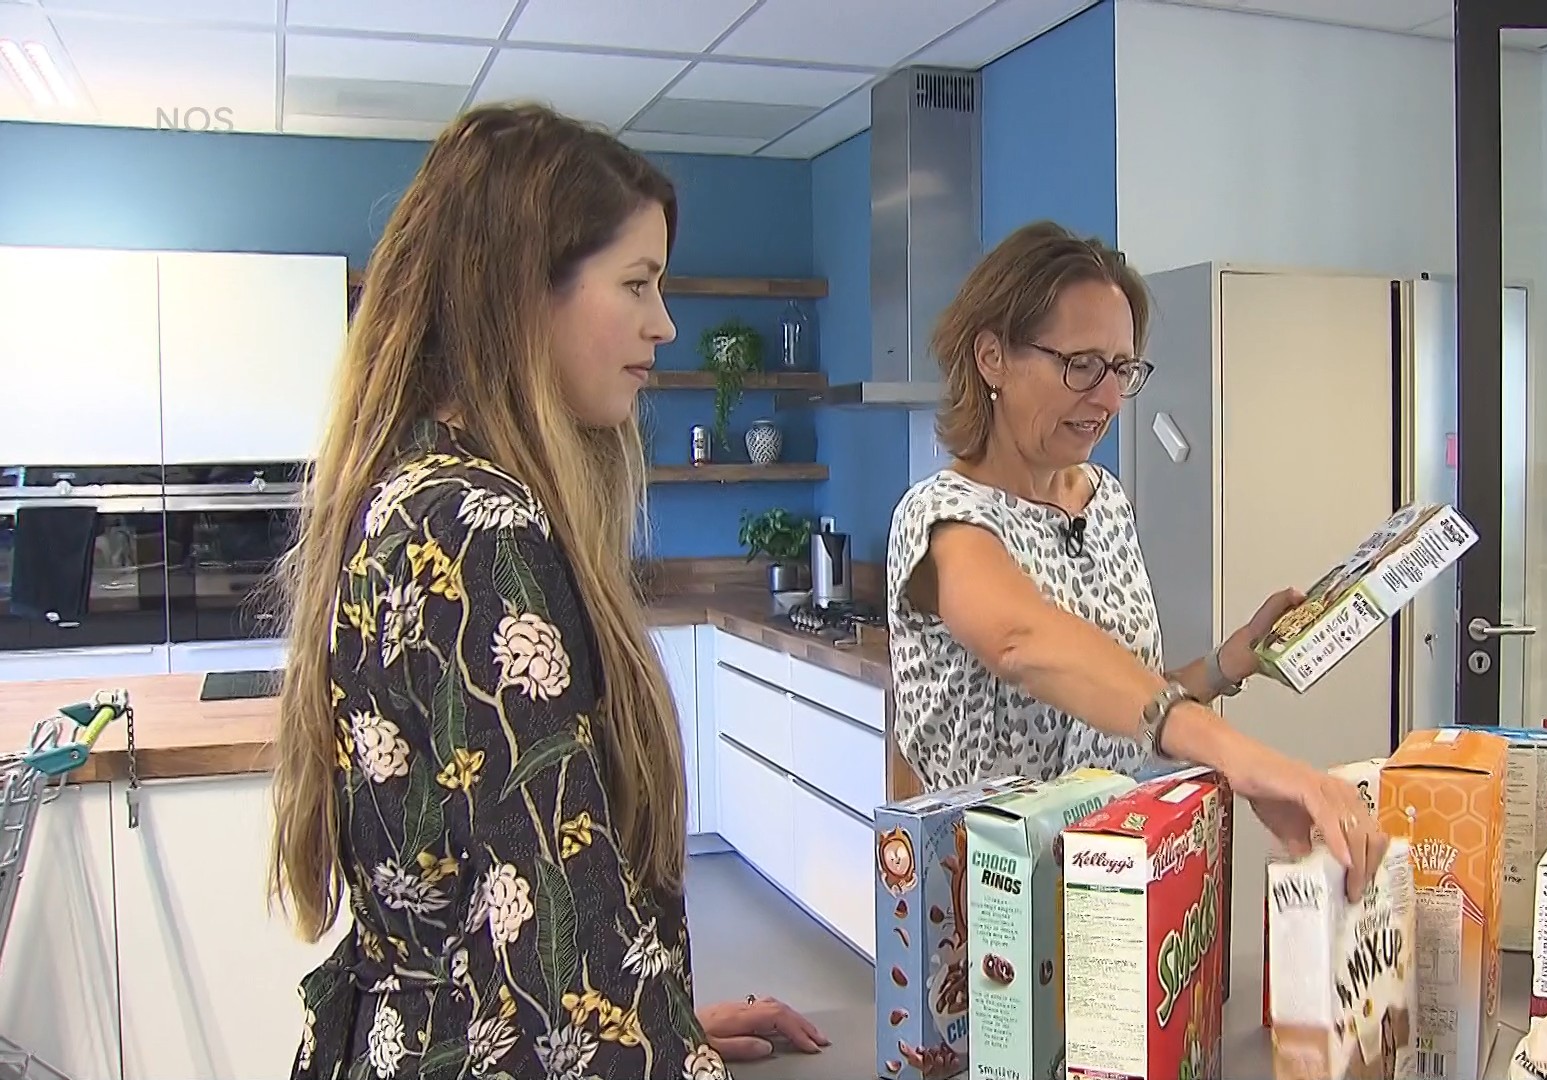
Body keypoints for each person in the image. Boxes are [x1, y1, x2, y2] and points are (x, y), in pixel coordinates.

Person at [267, 103, 825, 1080]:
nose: (664, 323)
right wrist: (645, 1046)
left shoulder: (416, 489)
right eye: (637, 283)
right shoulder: (483, 526)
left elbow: (501, 897)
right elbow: (560, 942)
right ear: (523, 291)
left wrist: (663, 1018)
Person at [885, 221, 1386, 893]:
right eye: (1081, 364)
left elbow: (1118, 703)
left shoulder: (1104, 502)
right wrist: (1244, 760)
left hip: (1113, 885)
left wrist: (1229, 662)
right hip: (993, 905)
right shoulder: (942, 520)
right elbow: (1022, 641)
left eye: (1121, 368)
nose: (1108, 398)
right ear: (992, 357)